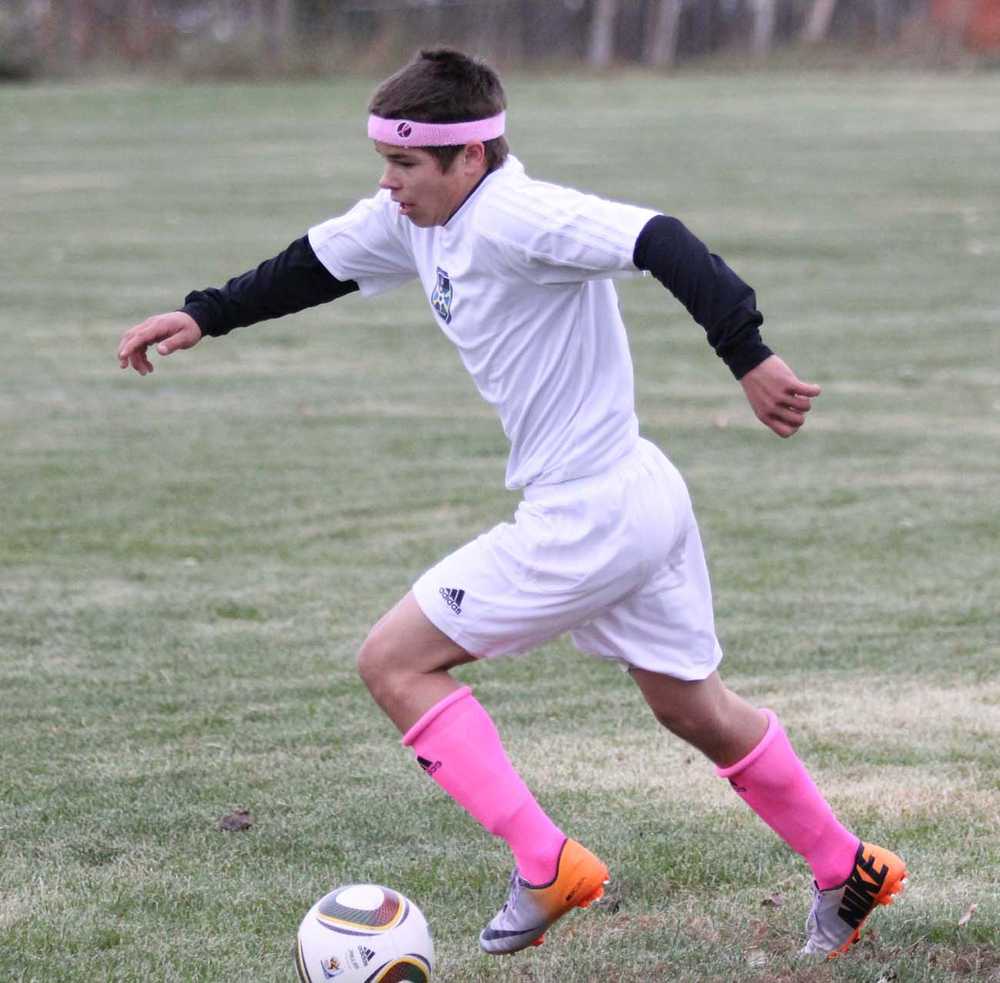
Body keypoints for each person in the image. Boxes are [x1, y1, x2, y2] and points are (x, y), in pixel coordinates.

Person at [117, 48, 906, 959]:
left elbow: (662, 239)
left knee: (394, 663)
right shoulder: (414, 219)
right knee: (694, 708)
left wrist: (750, 357)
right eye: (384, 159)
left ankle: (546, 861)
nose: (388, 182)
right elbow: (315, 264)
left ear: (471, 157)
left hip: (587, 513)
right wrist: (205, 314)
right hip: (638, 492)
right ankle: (847, 864)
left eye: (405, 163)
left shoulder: (519, 214)